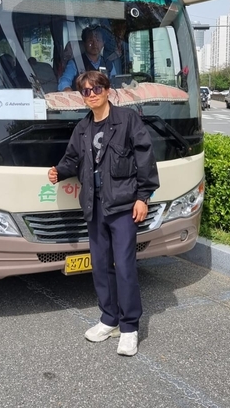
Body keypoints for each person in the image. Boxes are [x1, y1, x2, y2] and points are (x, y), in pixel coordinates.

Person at [48, 70, 159, 356]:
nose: (92, 94)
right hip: (94, 206)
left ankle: (130, 326)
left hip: (123, 206)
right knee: (100, 266)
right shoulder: (83, 128)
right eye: (86, 91)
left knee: (123, 266)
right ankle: (108, 319)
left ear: (107, 90)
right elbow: (73, 158)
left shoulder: (127, 120)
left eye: (96, 88)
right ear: (82, 96)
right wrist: (58, 171)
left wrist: (143, 197)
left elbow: (145, 158)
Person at [58, 26, 116, 91]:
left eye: (98, 40)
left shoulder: (108, 64)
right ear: (84, 43)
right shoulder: (75, 63)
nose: (95, 44)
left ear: (103, 43)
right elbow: (64, 82)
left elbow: (115, 84)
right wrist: (68, 90)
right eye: (91, 40)